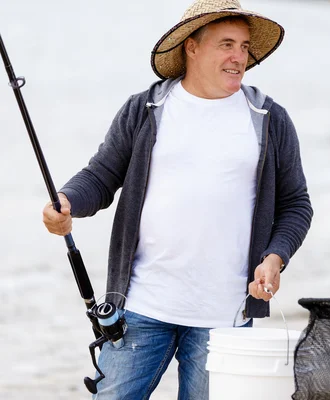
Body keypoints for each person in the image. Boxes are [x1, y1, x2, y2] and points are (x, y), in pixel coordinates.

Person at [42, 0, 313, 398]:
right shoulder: (146, 109)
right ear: (192, 46)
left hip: (225, 318)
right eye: (226, 44)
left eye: (244, 46)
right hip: (140, 307)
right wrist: (65, 201)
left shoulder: (269, 118)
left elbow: (296, 205)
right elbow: (101, 176)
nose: (240, 57)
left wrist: (275, 257)